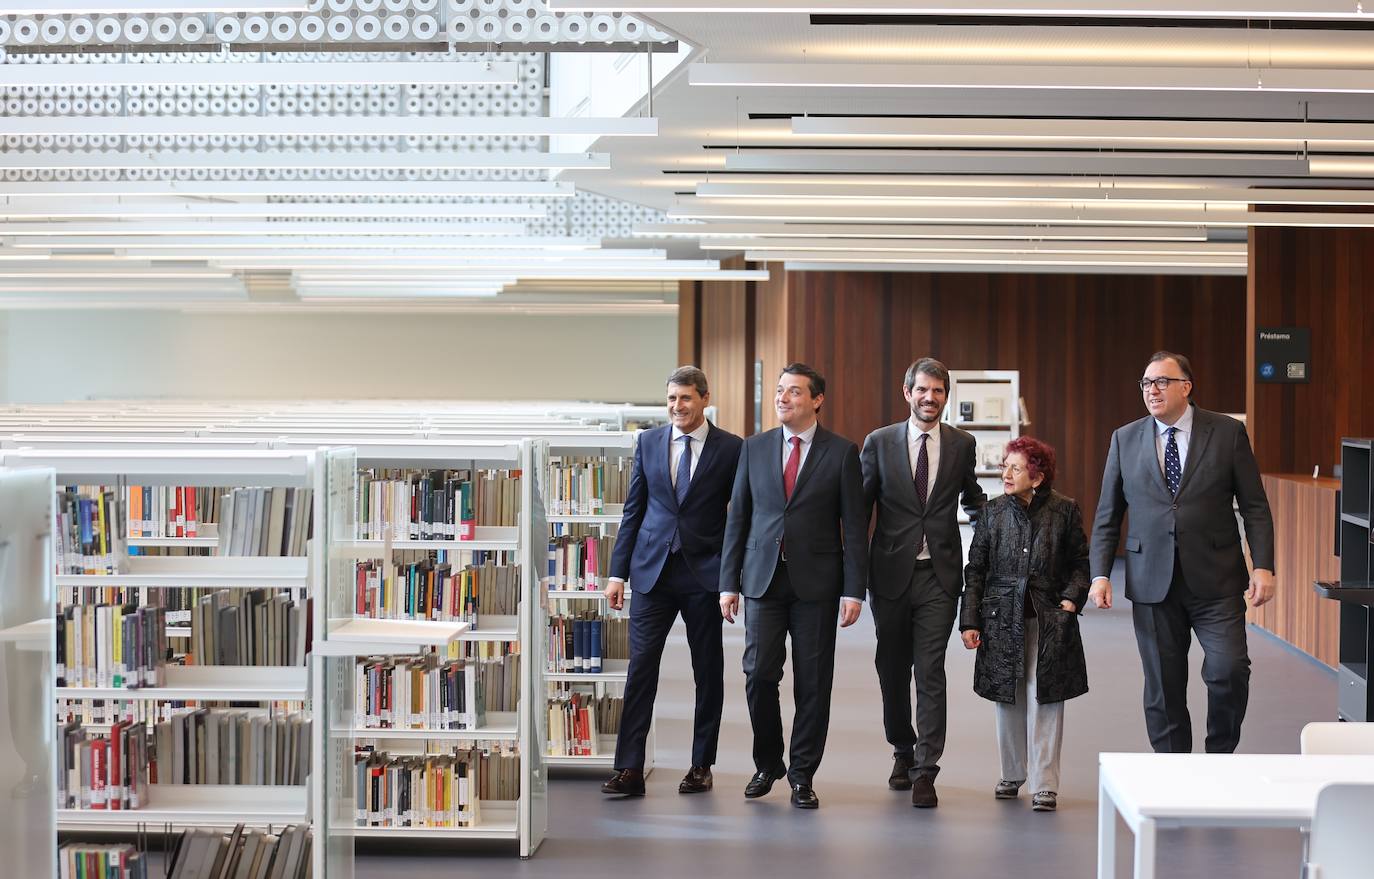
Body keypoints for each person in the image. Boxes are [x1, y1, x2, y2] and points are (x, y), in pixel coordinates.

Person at [1088, 351, 1275, 754]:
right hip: (1152, 580)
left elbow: (1255, 506)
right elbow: (1108, 513)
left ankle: (1219, 756)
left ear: (1185, 387)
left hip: (1217, 579)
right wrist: (1099, 574)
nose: (1151, 390)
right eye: (1146, 383)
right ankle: (1174, 769)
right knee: (1162, 685)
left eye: (1161, 382)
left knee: (1229, 670)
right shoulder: (1125, 438)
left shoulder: (1226, 433)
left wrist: (1263, 566)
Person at [719, 362, 868, 810]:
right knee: (758, 674)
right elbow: (738, 518)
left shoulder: (841, 453)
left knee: (813, 683)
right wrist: (728, 582)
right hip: (761, 580)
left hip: (817, 585)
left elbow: (856, 527)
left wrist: (854, 589)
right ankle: (768, 763)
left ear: (817, 400)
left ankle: (802, 774)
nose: (783, 398)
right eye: (780, 391)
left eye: (794, 392)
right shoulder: (754, 448)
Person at [601, 366, 743, 797]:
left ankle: (701, 765)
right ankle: (629, 768)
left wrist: (730, 578)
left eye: (685, 399)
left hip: (704, 572)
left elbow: (739, 518)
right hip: (652, 571)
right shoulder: (648, 442)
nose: (677, 407)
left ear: (703, 398)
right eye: (671, 400)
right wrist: (616, 572)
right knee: (641, 668)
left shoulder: (732, 448)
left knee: (708, 672)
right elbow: (633, 510)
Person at [860, 357, 985, 809]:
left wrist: (1001, 525)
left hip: (940, 574)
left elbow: (972, 497)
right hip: (890, 574)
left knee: (930, 669)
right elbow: (859, 512)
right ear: (907, 392)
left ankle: (926, 769)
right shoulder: (879, 443)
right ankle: (902, 747)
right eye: (922, 390)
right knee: (892, 671)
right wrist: (852, 579)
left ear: (946, 397)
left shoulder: (961, 444)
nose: (930, 398)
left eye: (938, 391)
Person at [959, 436, 1089, 813]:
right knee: (1008, 695)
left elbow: (1080, 562)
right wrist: (970, 618)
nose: (1006, 473)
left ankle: (1045, 783)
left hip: (1049, 619)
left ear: (1037, 475)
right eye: (1005, 466)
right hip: (1001, 617)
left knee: (1048, 697)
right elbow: (976, 570)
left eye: (1015, 467)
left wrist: (1070, 600)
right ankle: (1012, 773)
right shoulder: (994, 512)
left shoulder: (1064, 510)